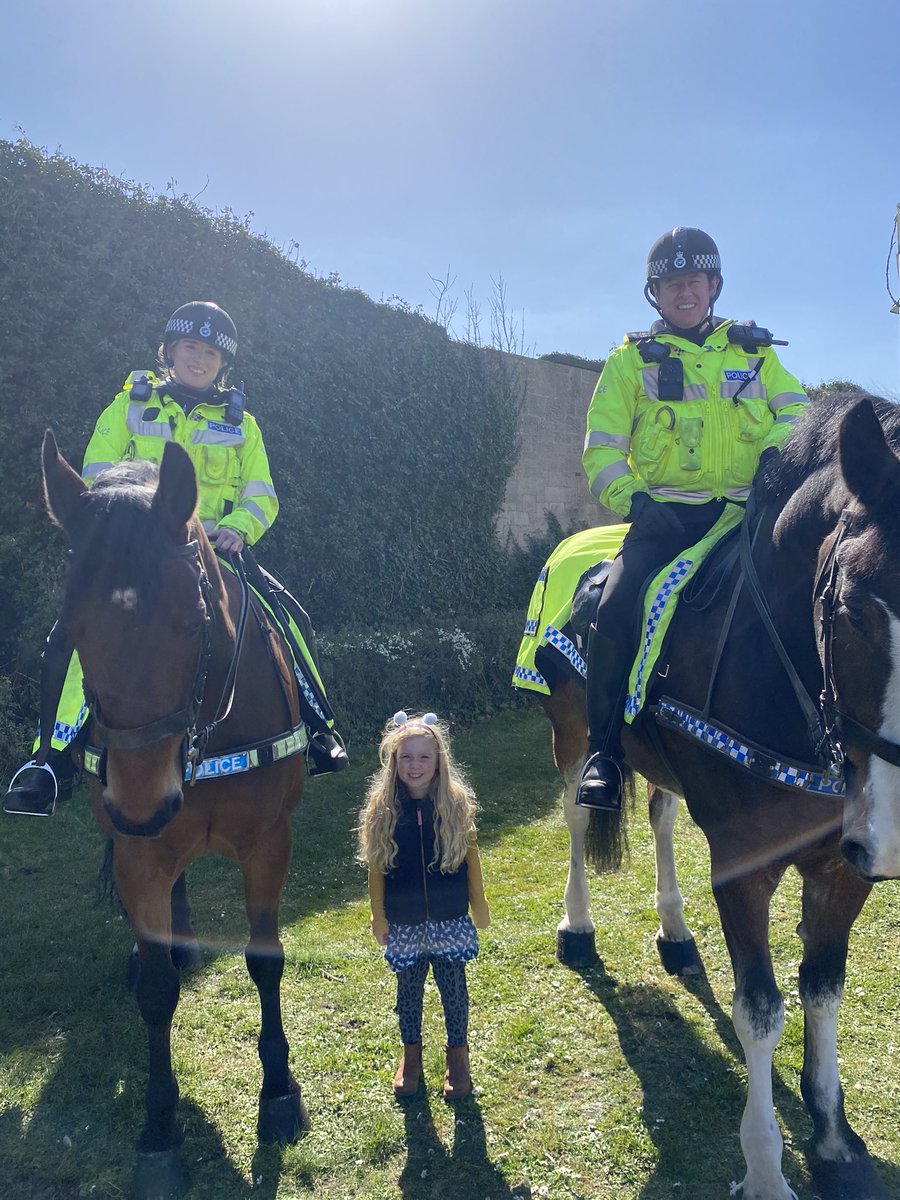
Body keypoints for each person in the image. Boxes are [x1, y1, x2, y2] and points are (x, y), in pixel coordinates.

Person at [5, 300, 347, 816]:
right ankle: (49, 759)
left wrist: (236, 528)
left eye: (211, 353)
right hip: (134, 554)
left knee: (290, 616)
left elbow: (262, 495)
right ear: (169, 351)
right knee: (68, 636)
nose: (199, 358)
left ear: (222, 365)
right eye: (191, 346)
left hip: (213, 551)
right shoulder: (127, 407)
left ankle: (319, 727)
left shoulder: (243, 425)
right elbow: (97, 473)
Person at [576, 228, 809, 811]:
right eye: (672, 283)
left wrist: (777, 457)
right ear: (656, 294)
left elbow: (797, 413)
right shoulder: (630, 361)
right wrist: (635, 501)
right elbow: (600, 449)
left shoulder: (755, 352)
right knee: (614, 605)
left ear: (714, 286)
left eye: (695, 281)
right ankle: (604, 753)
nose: (685, 292)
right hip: (665, 519)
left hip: (744, 514)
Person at [358, 711, 490, 1101]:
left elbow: (472, 859)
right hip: (405, 923)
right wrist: (378, 916)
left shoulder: (456, 804)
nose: (415, 766)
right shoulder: (382, 809)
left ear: (439, 762)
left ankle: (458, 1057)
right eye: (406, 757)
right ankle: (411, 1056)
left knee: (454, 990)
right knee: (408, 993)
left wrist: (478, 905)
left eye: (424, 757)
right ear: (394, 762)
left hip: (450, 918)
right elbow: (376, 869)